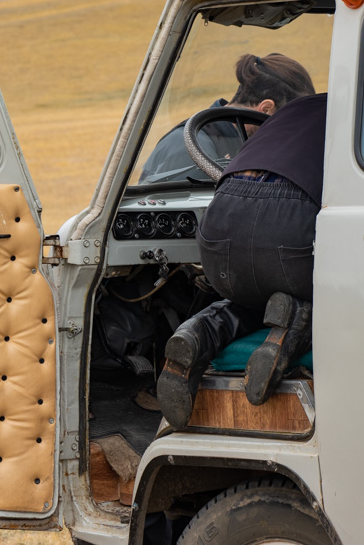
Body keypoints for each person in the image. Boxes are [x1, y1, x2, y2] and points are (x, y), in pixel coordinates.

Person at [156, 56, 326, 429]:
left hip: (219, 235)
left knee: (252, 295)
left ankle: (197, 333)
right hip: (288, 234)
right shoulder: (350, 118)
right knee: (334, 291)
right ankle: (290, 332)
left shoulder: (271, 125)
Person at [138, 53, 314, 184]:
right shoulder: (192, 146)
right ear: (266, 108)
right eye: (289, 122)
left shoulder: (240, 142)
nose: (290, 135)